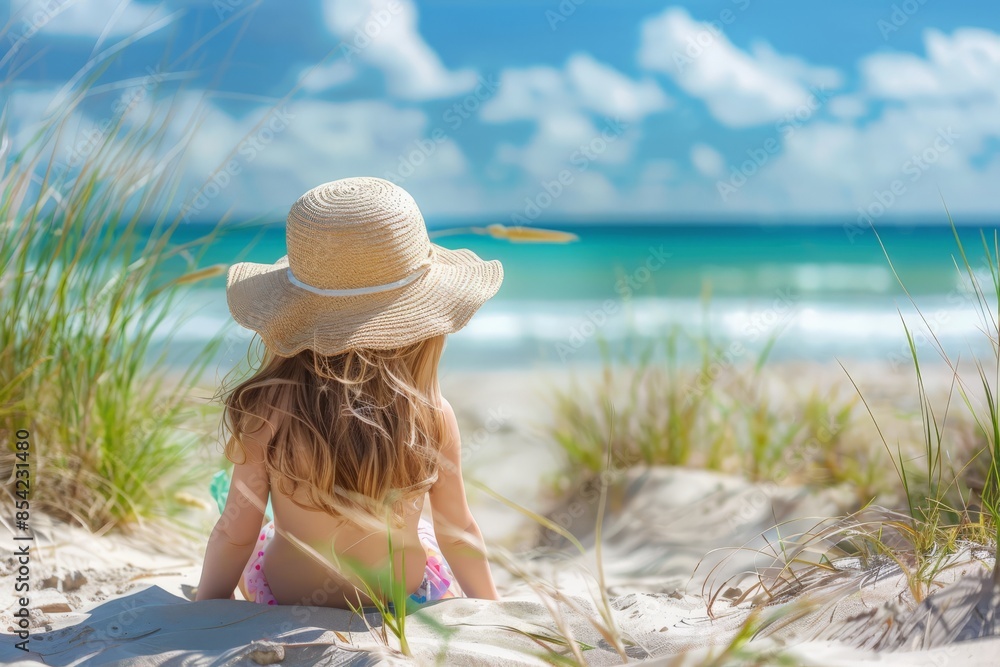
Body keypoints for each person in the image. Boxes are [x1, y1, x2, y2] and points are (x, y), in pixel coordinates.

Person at [195, 176, 504, 609]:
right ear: (421, 325)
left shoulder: (266, 408)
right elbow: (460, 531)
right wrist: (489, 608)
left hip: (283, 598)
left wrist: (206, 606)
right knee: (430, 535)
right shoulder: (431, 413)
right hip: (400, 599)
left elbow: (235, 532)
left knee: (264, 529)